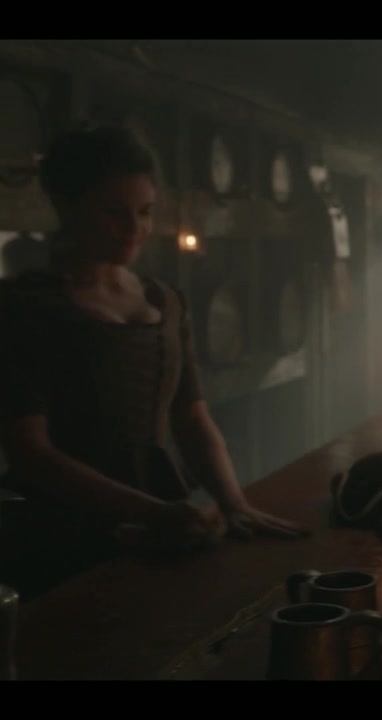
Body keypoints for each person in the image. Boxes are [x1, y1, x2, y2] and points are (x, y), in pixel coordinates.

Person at [0, 127, 305, 598]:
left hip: (166, 528)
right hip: (65, 535)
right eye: (114, 212)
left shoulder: (165, 300)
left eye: (144, 212)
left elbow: (191, 415)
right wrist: (148, 511)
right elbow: (30, 453)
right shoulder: (28, 308)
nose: (134, 228)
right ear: (67, 206)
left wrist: (233, 503)